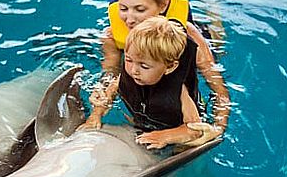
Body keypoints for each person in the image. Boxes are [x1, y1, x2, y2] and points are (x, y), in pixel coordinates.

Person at [84, 0, 230, 146]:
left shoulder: (188, 38)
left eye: (140, 9)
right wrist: (100, 99)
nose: (129, 19)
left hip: (192, 39)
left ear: (163, 5)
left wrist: (218, 128)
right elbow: (111, 75)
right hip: (150, 77)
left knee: (218, 47)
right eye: (124, 8)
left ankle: (214, 15)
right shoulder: (113, 35)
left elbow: (219, 91)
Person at [81, 16, 202, 148]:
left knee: (184, 149)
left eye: (144, 66)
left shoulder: (180, 92)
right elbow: (114, 87)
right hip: (143, 120)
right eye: (128, 60)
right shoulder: (129, 73)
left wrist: (164, 136)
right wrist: (96, 114)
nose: (133, 71)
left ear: (169, 67)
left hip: (169, 127)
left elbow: (195, 130)